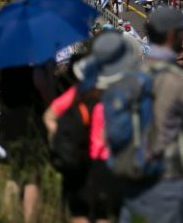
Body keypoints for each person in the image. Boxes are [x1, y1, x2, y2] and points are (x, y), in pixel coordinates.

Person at [119, 6, 183, 223]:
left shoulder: (130, 77)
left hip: (130, 179)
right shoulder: (176, 80)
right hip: (166, 181)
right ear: (174, 35)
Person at [45, 32, 136, 223]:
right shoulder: (122, 92)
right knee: (104, 215)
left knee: (79, 214)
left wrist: (63, 135)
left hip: (79, 161)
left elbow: (50, 116)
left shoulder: (81, 90)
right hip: (107, 164)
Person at [0, 62, 57, 223]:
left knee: (12, 176)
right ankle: (29, 219)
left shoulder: (4, 68)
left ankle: (9, 218)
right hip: (31, 125)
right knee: (32, 177)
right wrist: (49, 75)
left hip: (8, 125)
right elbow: (49, 98)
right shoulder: (35, 70)